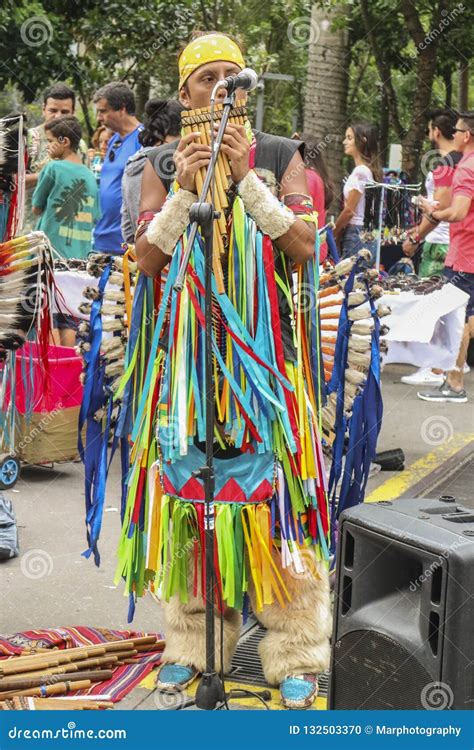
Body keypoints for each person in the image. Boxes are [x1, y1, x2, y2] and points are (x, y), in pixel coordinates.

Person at [122, 31, 331, 710]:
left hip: (266, 372)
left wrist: (246, 182)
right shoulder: (158, 161)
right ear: (184, 94)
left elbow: (302, 249)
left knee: (282, 511)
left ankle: (296, 651)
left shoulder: (278, 155)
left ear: (247, 91)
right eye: (205, 77)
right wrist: (184, 190)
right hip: (187, 370)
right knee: (191, 507)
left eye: (230, 77)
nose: (220, 88)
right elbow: (146, 265)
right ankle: (192, 647)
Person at [401, 108, 462, 387]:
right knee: (456, 307)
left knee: (434, 305)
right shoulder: (464, 162)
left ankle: (436, 368)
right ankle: (453, 364)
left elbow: (440, 210)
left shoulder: (445, 166)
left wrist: (415, 238)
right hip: (456, 240)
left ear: (436, 131)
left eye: (429, 129)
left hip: (440, 243)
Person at [418, 111, 474, 403]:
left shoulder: (465, 167)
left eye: (459, 131)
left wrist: (434, 212)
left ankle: (453, 381)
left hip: (465, 254)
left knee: (457, 319)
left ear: (466, 136)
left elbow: (459, 211)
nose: (455, 136)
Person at [32, 115, 100, 346]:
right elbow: (95, 216)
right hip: (78, 260)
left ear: (65, 141)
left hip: (49, 254)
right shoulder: (90, 175)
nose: (49, 146)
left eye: (52, 141)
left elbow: (36, 207)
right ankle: (67, 368)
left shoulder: (53, 168)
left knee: (47, 315)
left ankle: (51, 372)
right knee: (69, 316)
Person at [24, 83, 87, 231]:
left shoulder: (80, 145)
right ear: (43, 110)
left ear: (73, 113)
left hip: (66, 231)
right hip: (28, 230)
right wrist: (49, 174)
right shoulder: (28, 140)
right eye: (53, 110)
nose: (58, 116)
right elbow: (12, 182)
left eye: (64, 111)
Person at [121, 99, 184, 244]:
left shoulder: (131, 163)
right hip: (169, 260)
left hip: (140, 255)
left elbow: (126, 228)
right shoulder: (170, 161)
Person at [92, 82, 143, 254]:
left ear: (122, 109)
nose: (99, 117)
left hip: (124, 244)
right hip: (101, 239)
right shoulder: (113, 140)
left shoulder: (143, 139)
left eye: (103, 111)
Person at [334, 122, 381, 258]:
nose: (344, 142)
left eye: (349, 138)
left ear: (363, 141)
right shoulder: (366, 170)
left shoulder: (361, 171)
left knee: (352, 277)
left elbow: (350, 210)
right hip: (363, 232)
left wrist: (333, 231)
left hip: (356, 233)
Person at [293, 132, 334, 262]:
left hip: (306, 251)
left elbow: (301, 215)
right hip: (316, 248)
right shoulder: (316, 175)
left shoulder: (306, 177)